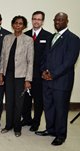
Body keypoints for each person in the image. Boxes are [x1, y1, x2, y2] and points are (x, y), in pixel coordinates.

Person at [36, 12, 80, 146]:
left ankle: (61, 135)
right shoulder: (52, 37)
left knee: (60, 109)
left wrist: (53, 74)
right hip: (47, 79)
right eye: (56, 20)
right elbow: (45, 56)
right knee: (48, 106)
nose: (58, 22)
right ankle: (50, 129)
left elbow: (69, 61)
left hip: (61, 81)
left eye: (61, 20)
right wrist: (43, 71)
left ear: (67, 21)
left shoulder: (73, 39)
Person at [0, 15, 34, 137]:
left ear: (24, 26)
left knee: (19, 102)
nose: (18, 25)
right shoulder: (7, 38)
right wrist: (1, 73)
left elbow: (30, 61)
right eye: (16, 23)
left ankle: (17, 127)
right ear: (12, 25)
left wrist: (28, 79)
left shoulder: (28, 40)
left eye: (20, 23)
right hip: (8, 75)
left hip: (21, 76)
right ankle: (8, 125)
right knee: (9, 101)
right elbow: (3, 57)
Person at [22, 11, 51, 132]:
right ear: (31, 20)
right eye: (34, 18)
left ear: (42, 21)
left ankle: (36, 122)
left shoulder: (48, 36)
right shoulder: (26, 35)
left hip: (40, 75)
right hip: (26, 73)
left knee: (38, 100)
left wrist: (45, 71)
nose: (36, 21)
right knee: (26, 99)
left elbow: (49, 56)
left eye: (39, 19)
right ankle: (27, 119)